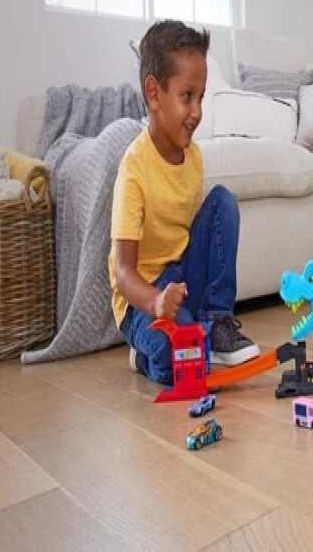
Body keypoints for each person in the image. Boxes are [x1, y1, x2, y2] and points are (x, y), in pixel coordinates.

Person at [109, 19, 259, 383]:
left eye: (201, 97)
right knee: (184, 360)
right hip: (141, 300)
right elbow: (123, 273)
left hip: (180, 282)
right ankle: (145, 358)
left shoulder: (193, 158)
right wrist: (156, 302)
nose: (197, 112)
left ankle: (217, 321)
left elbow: (195, 239)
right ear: (154, 93)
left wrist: (184, 296)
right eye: (187, 96)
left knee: (223, 201)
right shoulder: (134, 169)